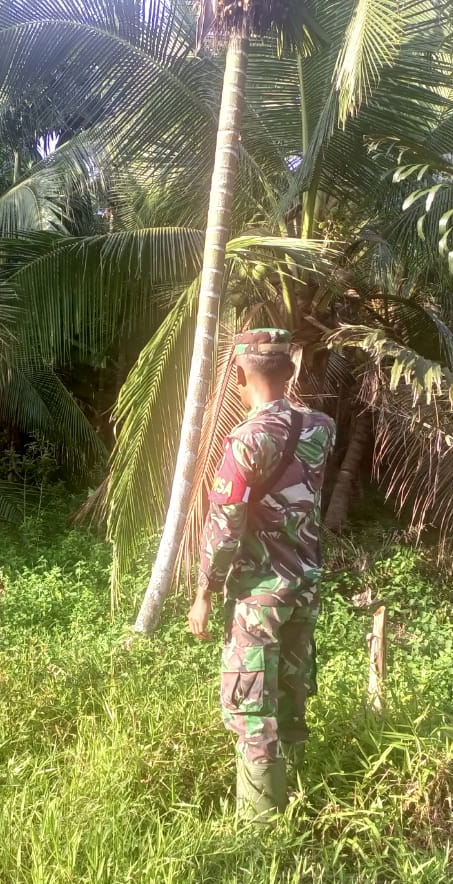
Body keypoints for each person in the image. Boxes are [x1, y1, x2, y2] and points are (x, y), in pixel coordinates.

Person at [187, 328, 335, 821]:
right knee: (292, 696)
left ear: (237, 375)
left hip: (259, 596)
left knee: (251, 708)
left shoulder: (246, 440)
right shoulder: (322, 427)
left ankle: (261, 828)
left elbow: (225, 524)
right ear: (291, 371)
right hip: (305, 586)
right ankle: (301, 799)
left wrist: (205, 590)